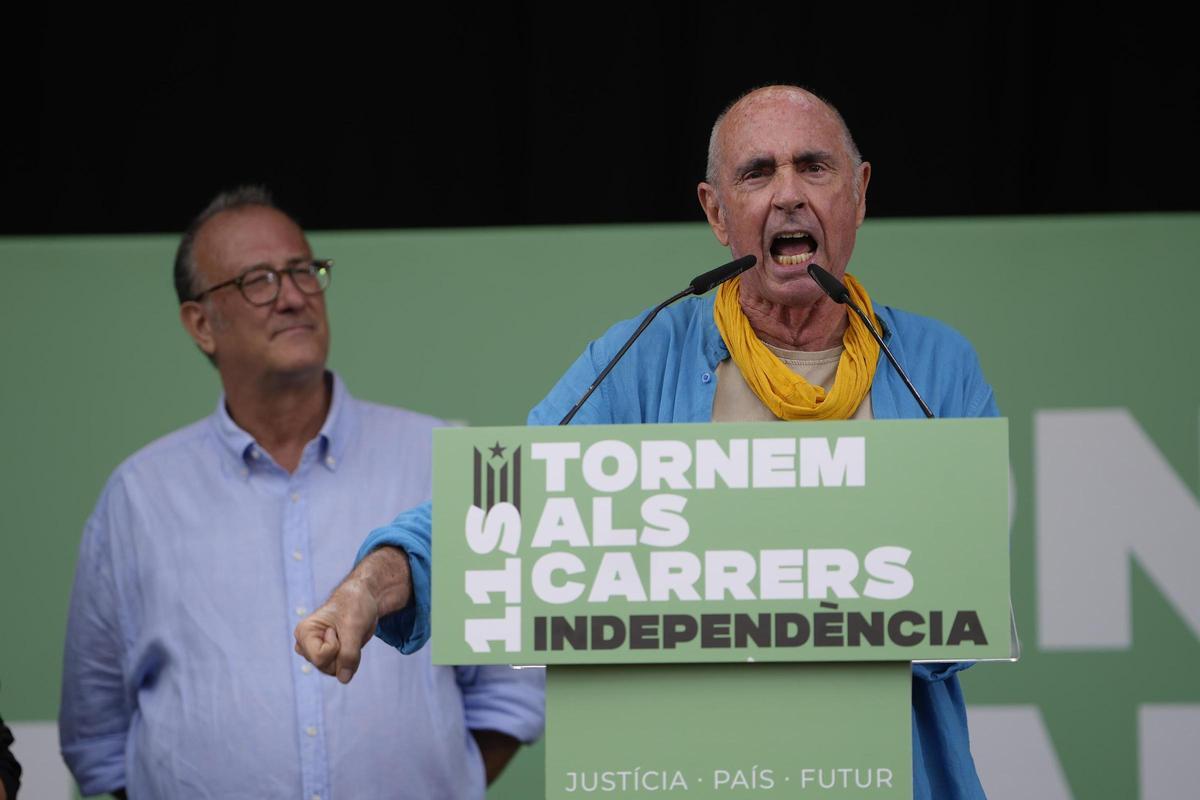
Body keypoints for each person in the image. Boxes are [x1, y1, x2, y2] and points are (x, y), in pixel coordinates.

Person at [295, 86, 994, 800]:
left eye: (814, 167)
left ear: (860, 192)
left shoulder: (935, 366)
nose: (788, 194)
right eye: (757, 173)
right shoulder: (641, 358)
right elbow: (501, 512)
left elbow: (965, 582)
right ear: (717, 213)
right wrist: (368, 587)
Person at [60, 187, 544, 800]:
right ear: (201, 324)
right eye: (257, 281)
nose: (292, 296)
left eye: (303, 271)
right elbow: (97, 733)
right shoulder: (138, 497)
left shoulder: (441, 456)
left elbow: (511, 681)